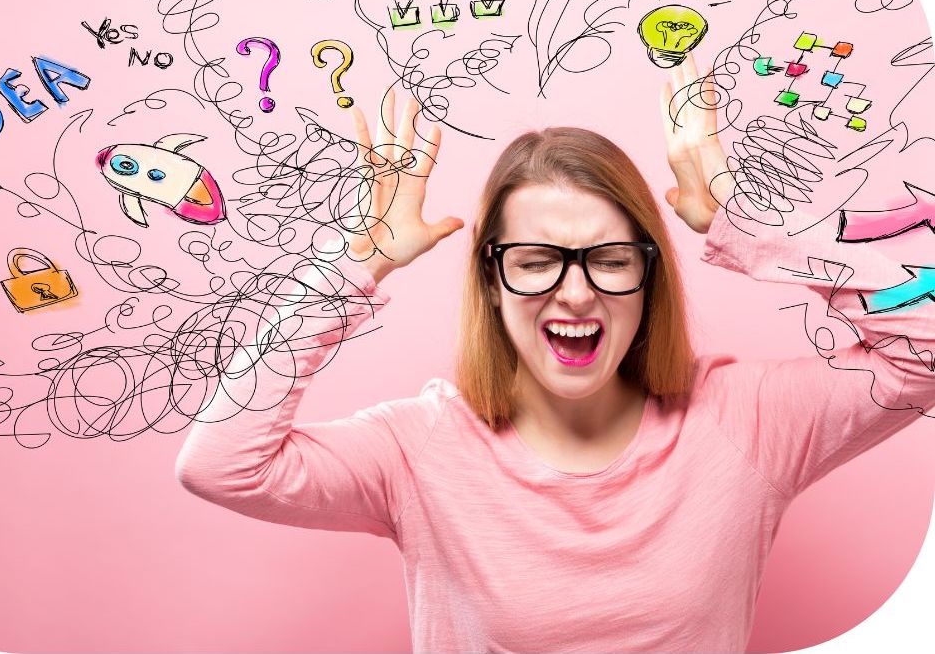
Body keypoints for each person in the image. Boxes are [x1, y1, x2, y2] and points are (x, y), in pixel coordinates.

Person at [175, 56, 933, 653]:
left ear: (649, 274)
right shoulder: (419, 448)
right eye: (536, 259)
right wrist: (354, 266)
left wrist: (749, 225)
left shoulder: (744, 418)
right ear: (490, 278)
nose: (575, 294)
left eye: (608, 257)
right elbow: (220, 463)